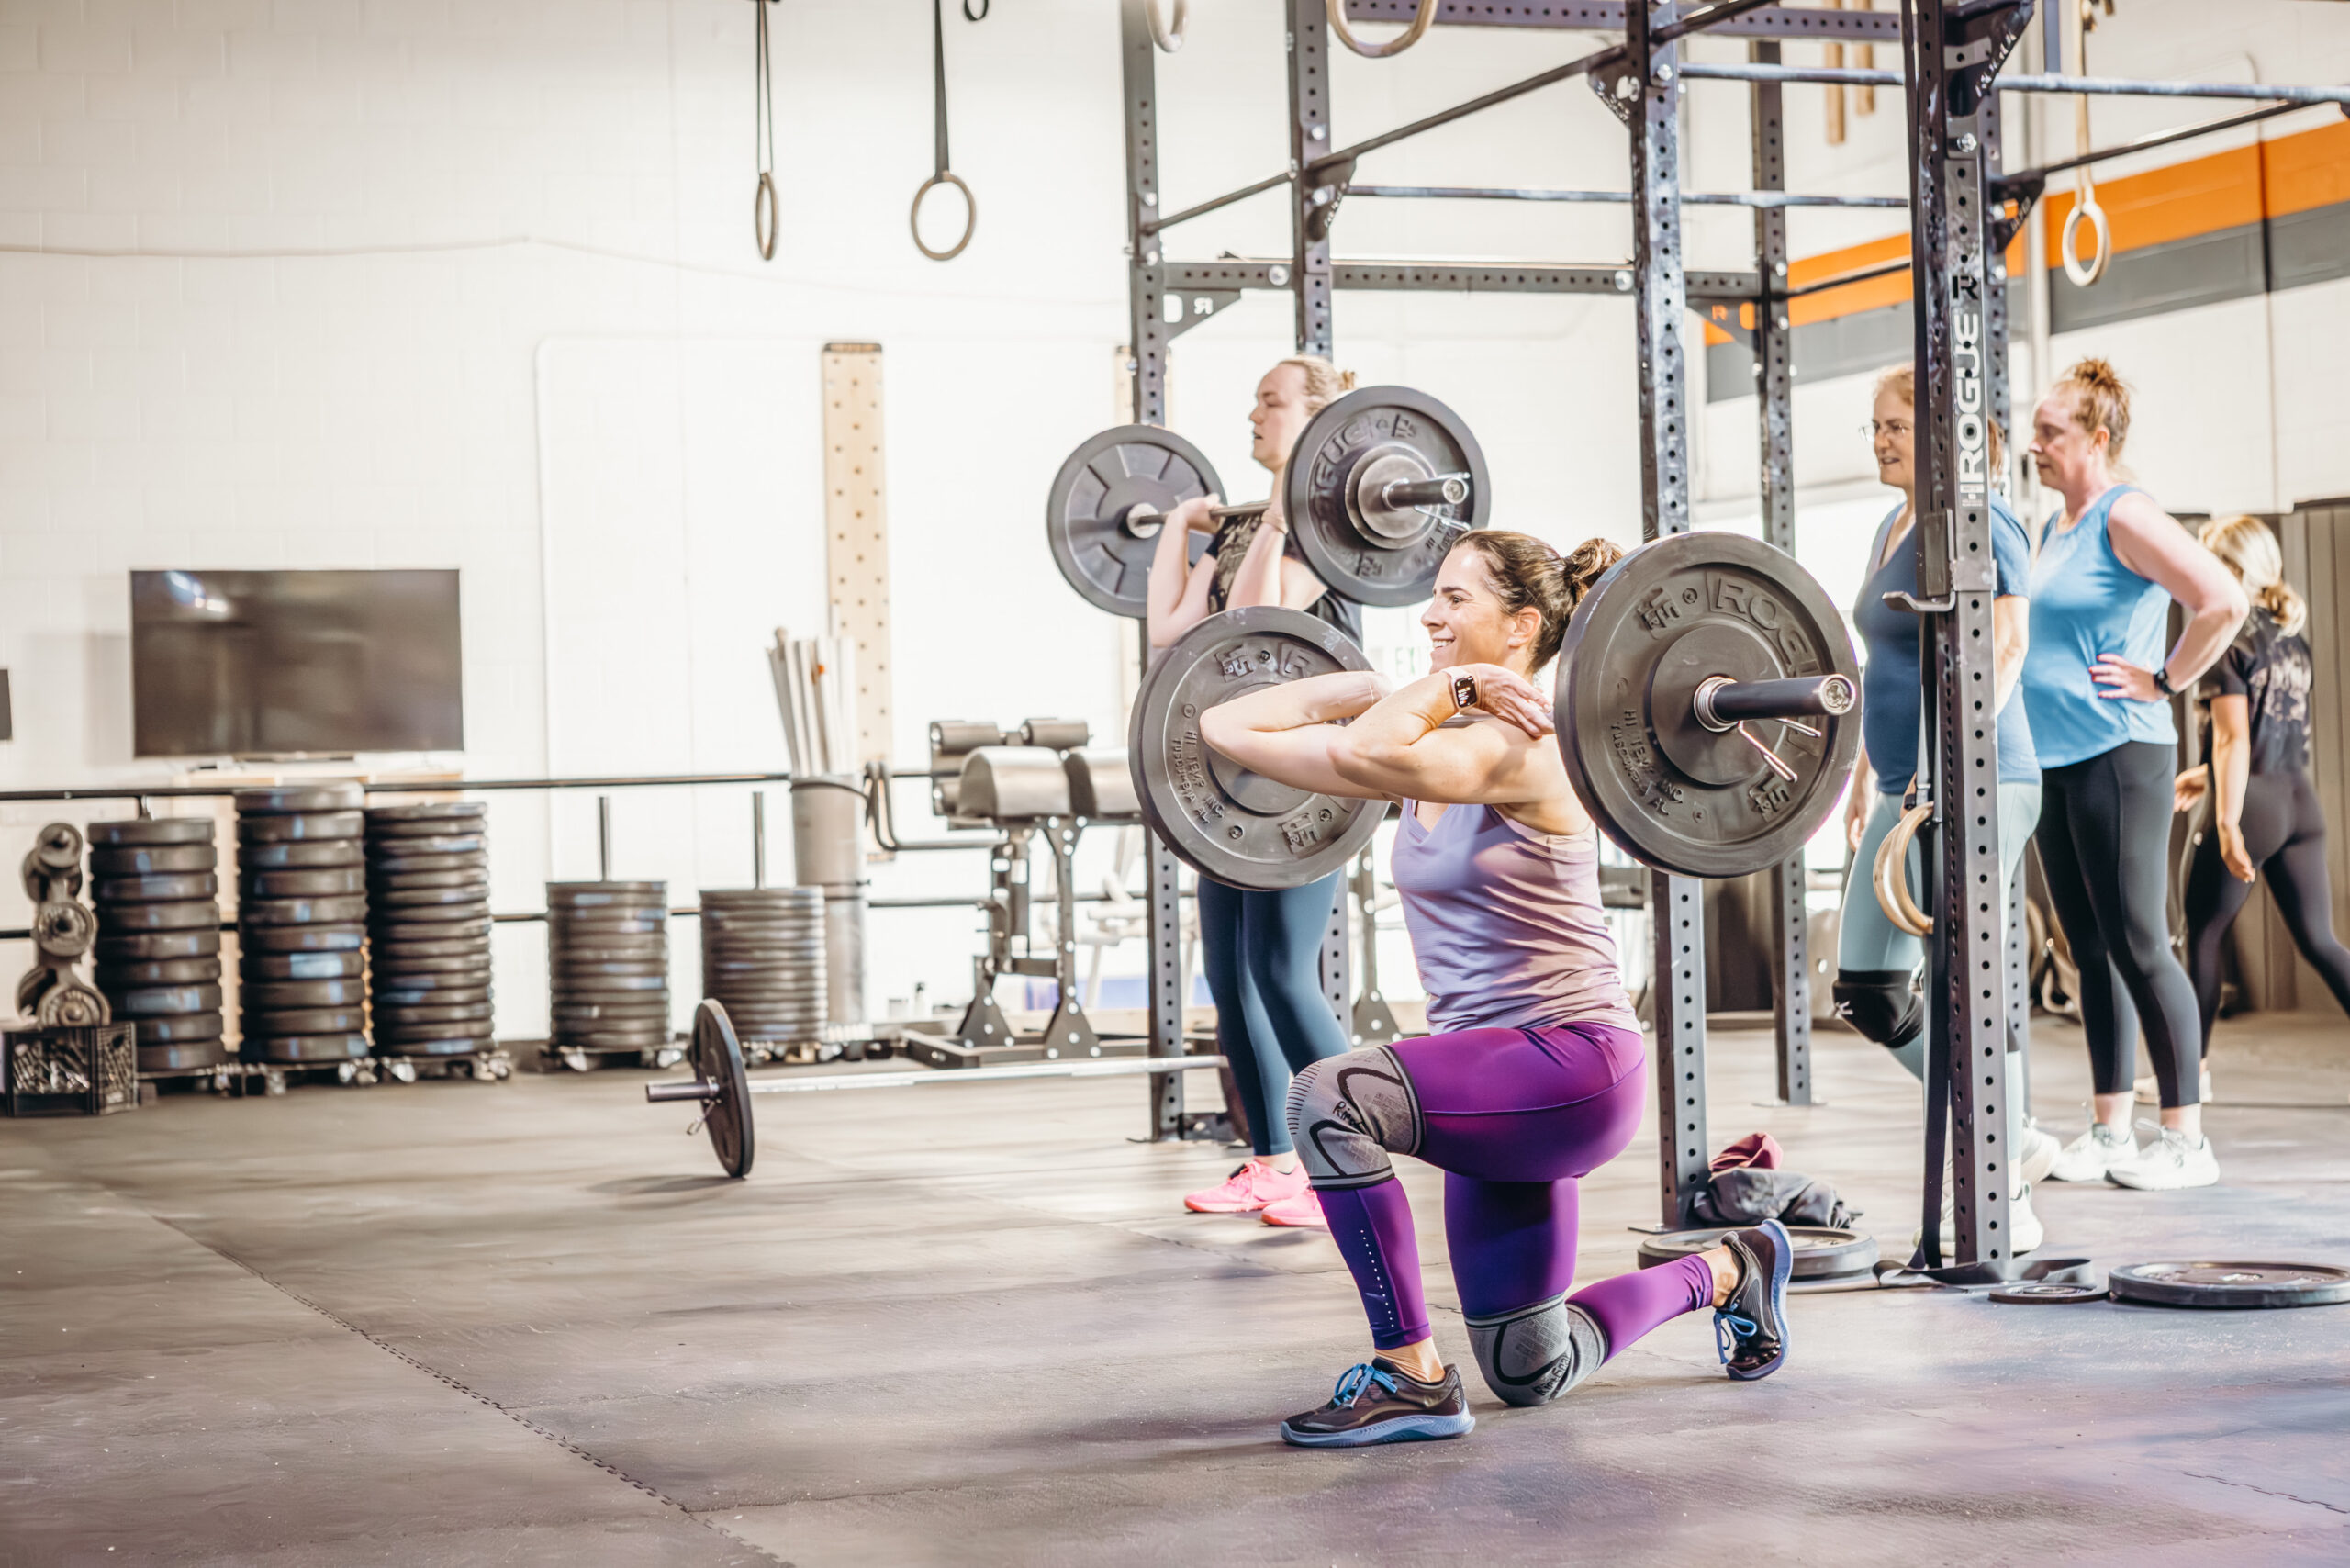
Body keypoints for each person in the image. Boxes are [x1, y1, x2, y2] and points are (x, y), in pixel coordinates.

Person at [1199, 531, 1796, 1448]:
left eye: (1455, 598)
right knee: (1530, 1367)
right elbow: (1223, 727)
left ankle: (1409, 1375)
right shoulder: (1438, 737)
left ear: (1520, 626)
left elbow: (1360, 751)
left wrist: (1448, 689)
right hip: (1498, 1086)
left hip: (1569, 1065)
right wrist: (1383, 684)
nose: (1430, 615)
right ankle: (1730, 1268)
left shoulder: (1527, 748)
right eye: (1432, 596)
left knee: (1327, 1095)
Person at [1833, 365, 2057, 1249]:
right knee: (1868, 991)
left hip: (1981, 780)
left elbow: (2007, 645)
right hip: (1907, 788)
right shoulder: (1892, 525)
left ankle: (2007, 1181)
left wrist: (1947, 767)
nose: (1882, 440)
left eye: (1895, 425)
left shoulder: (1984, 516)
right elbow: (1882, 665)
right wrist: (1866, 777)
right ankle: (2013, 1132)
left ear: (1940, 434)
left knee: (1967, 984)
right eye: (1876, 426)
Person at [2022, 359, 2248, 1191]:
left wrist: (2166, 678)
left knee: (2141, 942)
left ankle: (2187, 1139)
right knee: (2089, 947)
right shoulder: (2056, 526)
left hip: (2120, 753)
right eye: (2035, 430)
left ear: (2097, 439)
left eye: (2051, 432)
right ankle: (2111, 1128)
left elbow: (2222, 599)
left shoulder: (2127, 512)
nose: (2035, 445)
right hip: (2056, 758)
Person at [1147, 356, 1361, 1227]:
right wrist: (1177, 523)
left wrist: (1277, 517)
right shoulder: (1245, 526)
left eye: (1272, 403)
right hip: (1231, 782)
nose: (1254, 415)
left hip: (1307, 782)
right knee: (1229, 973)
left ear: (1315, 422)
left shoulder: (1331, 528)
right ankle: (1274, 1163)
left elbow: (1254, 616)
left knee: (1280, 969)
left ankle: (1351, 1163)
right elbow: (1170, 630)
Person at [2171, 515, 2350, 1097]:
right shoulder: (2290, 639)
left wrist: (2226, 820)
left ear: (2231, 569)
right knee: (2320, 941)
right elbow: (2272, 734)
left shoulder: (2225, 634)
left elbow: (2235, 739)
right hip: (2299, 804)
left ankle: (2189, 1077)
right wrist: (2206, 776)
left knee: (2202, 936)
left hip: (2252, 807)